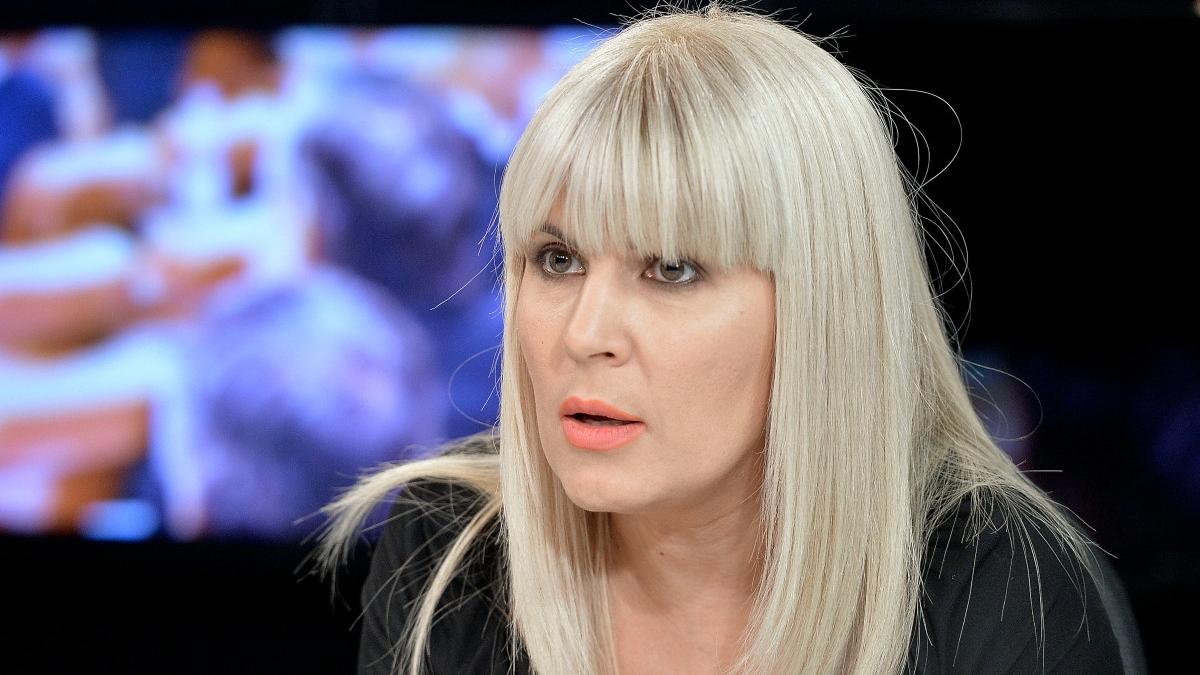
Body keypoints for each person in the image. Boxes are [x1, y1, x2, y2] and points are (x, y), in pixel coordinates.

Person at [315, 3, 1147, 674]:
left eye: (672, 268)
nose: (586, 333)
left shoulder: (1010, 594)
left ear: (824, 306)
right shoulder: (448, 556)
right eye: (558, 259)